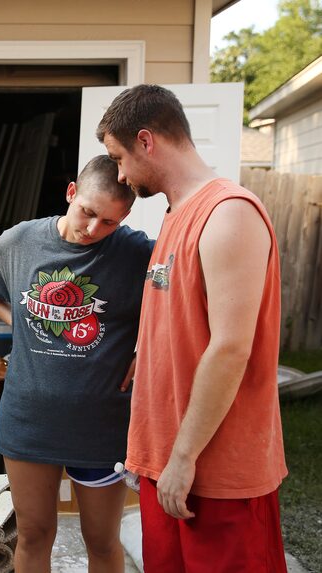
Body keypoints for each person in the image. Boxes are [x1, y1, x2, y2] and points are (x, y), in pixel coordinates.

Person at [96, 84, 288, 572]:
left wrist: (183, 458)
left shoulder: (228, 214)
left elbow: (229, 349)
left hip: (215, 473)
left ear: (146, 140)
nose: (118, 174)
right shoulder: (175, 215)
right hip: (169, 468)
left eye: (118, 158)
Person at [0, 155, 153, 572]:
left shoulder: (135, 251)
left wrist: (146, 349)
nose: (93, 229)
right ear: (71, 192)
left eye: (109, 222)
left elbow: (179, 300)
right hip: (29, 420)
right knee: (34, 534)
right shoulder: (19, 241)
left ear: (124, 217)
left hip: (101, 426)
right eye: (88, 212)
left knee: (103, 542)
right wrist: (18, 322)